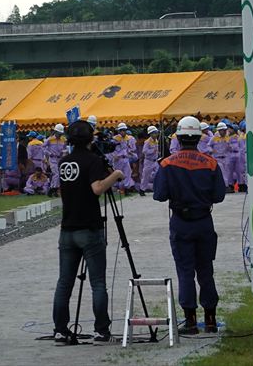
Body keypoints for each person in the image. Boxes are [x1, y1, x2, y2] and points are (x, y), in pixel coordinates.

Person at [51, 119, 124, 344]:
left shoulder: (64, 162)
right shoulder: (93, 160)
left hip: (67, 228)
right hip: (89, 228)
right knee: (98, 283)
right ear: (91, 138)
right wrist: (116, 174)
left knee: (64, 282)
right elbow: (97, 188)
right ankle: (101, 330)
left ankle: (60, 329)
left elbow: (64, 191)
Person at [153, 115, 226, 335]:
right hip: (204, 222)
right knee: (206, 271)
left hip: (180, 223)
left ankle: (191, 321)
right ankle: (211, 320)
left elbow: (159, 195)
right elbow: (219, 196)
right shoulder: (211, 163)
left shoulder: (167, 163)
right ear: (198, 137)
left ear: (179, 137)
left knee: (185, 272)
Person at [45, 124, 67, 197]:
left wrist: (64, 153)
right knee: (56, 173)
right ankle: (53, 188)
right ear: (55, 132)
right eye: (59, 133)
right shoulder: (50, 139)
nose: (60, 135)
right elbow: (43, 147)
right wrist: (49, 153)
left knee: (59, 175)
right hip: (52, 158)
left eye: (61, 133)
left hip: (60, 159)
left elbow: (65, 149)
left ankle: (54, 190)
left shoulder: (63, 139)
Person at [138, 126, 160, 196]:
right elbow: (144, 151)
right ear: (151, 134)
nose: (156, 134)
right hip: (148, 161)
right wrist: (152, 151)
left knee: (158, 174)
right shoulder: (147, 142)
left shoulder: (156, 141)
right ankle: (142, 189)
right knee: (146, 176)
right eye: (154, 133)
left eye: (156, 133)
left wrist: (157, 153)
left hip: (155, 161)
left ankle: (158, 188)